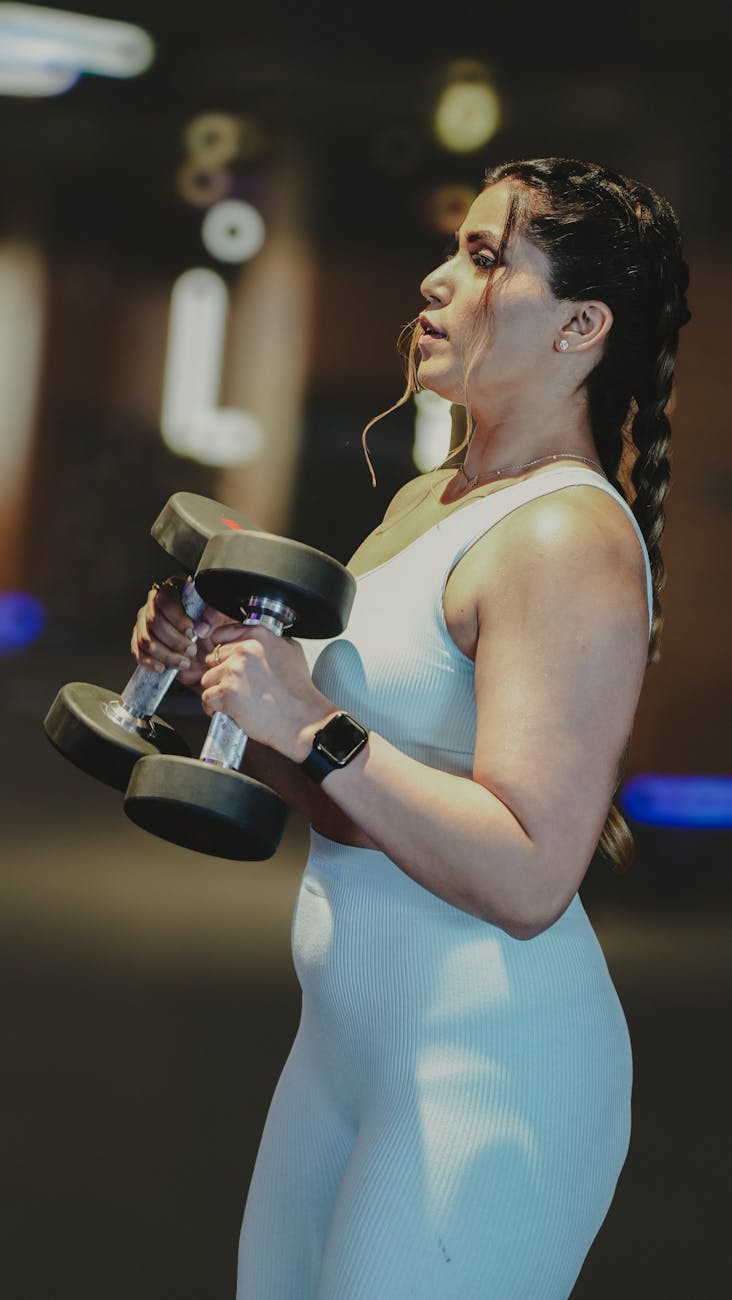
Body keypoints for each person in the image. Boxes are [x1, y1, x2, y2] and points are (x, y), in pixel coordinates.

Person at [132, 156, 690, 1298]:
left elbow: (534, 870)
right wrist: (220, 681)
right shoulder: (423, 504)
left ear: (582, 324)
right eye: (455, 249)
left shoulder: (565, 539)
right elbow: (365, 792)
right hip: (347, 1046)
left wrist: (316, 719)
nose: (437, 280)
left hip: (488, 1063)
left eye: (487, 260)